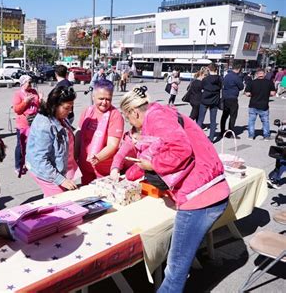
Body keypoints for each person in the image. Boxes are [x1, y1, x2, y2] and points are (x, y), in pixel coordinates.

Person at [116, 85, 229, 292]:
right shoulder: (160, 114)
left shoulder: (156, 117)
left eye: (128, 119)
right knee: (179, 264)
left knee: (174, 271)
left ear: (133, 112)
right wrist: (127, 175)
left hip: (200, 196)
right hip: (209, 190)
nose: (131, 124)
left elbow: (179, 150)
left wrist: (153, 165)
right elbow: (150, 155)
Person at [25, 86, 78, 197]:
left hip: (56, 168)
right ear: (55, 106)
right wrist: (60, 180)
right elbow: (39, 160)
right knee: (59, 200)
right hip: (43, 169)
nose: (70, 111)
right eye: (67, 108)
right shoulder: (44, 125)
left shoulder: (60, 117)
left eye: (71, 107)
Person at [78, 79, 124, 185]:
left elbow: (113, 145)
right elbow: (79, 136)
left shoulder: (115, 115)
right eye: (101, 98)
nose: (104, 102)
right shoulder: (87, 111)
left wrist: (97, 158)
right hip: (85, 167)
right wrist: (75, 157)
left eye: (108, 99)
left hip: (103, 169)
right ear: (93, 97)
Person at [12, 75, 41, 175]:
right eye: (28, 82)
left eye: (31, 81)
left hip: (34, 122)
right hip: (23, 124)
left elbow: (38, 106)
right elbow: (17, 110)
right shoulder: (18, 94)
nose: (30, 84)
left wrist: (40, 99)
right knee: (21, 145)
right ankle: (18, 165)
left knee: (33, 144)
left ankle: (30, 163)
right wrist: (25, 102)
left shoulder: (33, 91)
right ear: (23, 83)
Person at [245, 68, 276, 140]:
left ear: (257, 74)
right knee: (265, 121)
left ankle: (251, 135)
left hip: (253, 104)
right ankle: (266, 136)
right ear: (264, 74)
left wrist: (251, 94)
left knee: (251, 121)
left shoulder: (252, 82)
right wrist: (268, 94)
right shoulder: (269, 82)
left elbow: (247, 93)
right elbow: (273, 93)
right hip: (264, 105)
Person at [197, 64, 222, 142]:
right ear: (216, 69)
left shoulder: (205, 79)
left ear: (209, 69)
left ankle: (197, 137)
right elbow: (221, 87)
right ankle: (211, 138)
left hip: (204, 100)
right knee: (213, 120)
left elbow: (201, 87)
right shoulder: (220, 79)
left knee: (200, 119)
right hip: (214, 101)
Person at [220, 62, 244, 138]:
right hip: (233, 98)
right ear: (239, 69)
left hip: (225, 98)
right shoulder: (236, 77)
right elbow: (241, 87)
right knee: (233, 116)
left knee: (224, 116)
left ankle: (222, 131)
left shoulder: (226, 76)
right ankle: (231, 133)